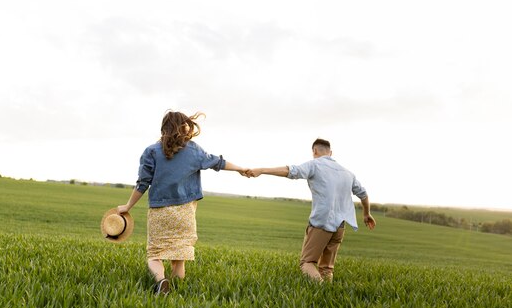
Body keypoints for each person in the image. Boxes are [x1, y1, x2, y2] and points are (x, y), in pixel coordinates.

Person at [117, 110, 248, 295]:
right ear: (184, 127)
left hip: (160, 212)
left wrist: (127, 206)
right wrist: (241, 168)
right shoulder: (194, 150)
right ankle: (177, 292)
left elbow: (142, 184)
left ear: (163, 128)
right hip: (185, 212)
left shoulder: (151, 151)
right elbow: (218, 162)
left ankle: (161, 281)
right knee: (179, 257)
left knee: (154, 254)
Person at [246, 138, 375, 282]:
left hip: (321, 223)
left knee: (307, 263)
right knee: (326, 268)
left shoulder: (315, 165)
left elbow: (291, 171)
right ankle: (326, 296)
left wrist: (262, 170)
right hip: (340, 226)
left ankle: (319, 290)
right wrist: (366, 214)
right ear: (330, 153)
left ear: (314, 151)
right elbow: (363, 194)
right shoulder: (348, 173)